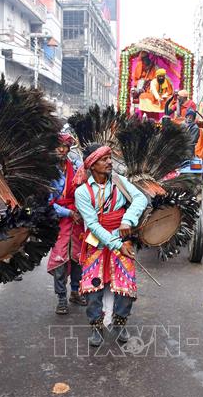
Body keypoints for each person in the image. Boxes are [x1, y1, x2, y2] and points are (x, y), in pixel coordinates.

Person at [73, 143, 147, 347]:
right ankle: (96, 327)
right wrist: (116, 244)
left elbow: (140, 198)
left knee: (125, 286)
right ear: (92, 164)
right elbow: (93, 225)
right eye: (104, 159)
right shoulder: (82, 193)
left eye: (109, 158)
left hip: (122, 239)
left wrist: (128, 220)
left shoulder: (119, 181)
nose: (109, 162)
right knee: (93, 287)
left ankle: (120, 323)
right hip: (96, 244)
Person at [47, 131, 87, 315]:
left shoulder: (76, 166)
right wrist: (69, 212)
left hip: (78, 220)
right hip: (61, 221)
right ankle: (61, 297)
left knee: (78, 257)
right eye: (58, 147)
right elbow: (48, 203)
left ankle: (75, 291)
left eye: (64, 147)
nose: (62, 150)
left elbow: (86, 184)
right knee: (60, 260)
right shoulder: (49, 173)